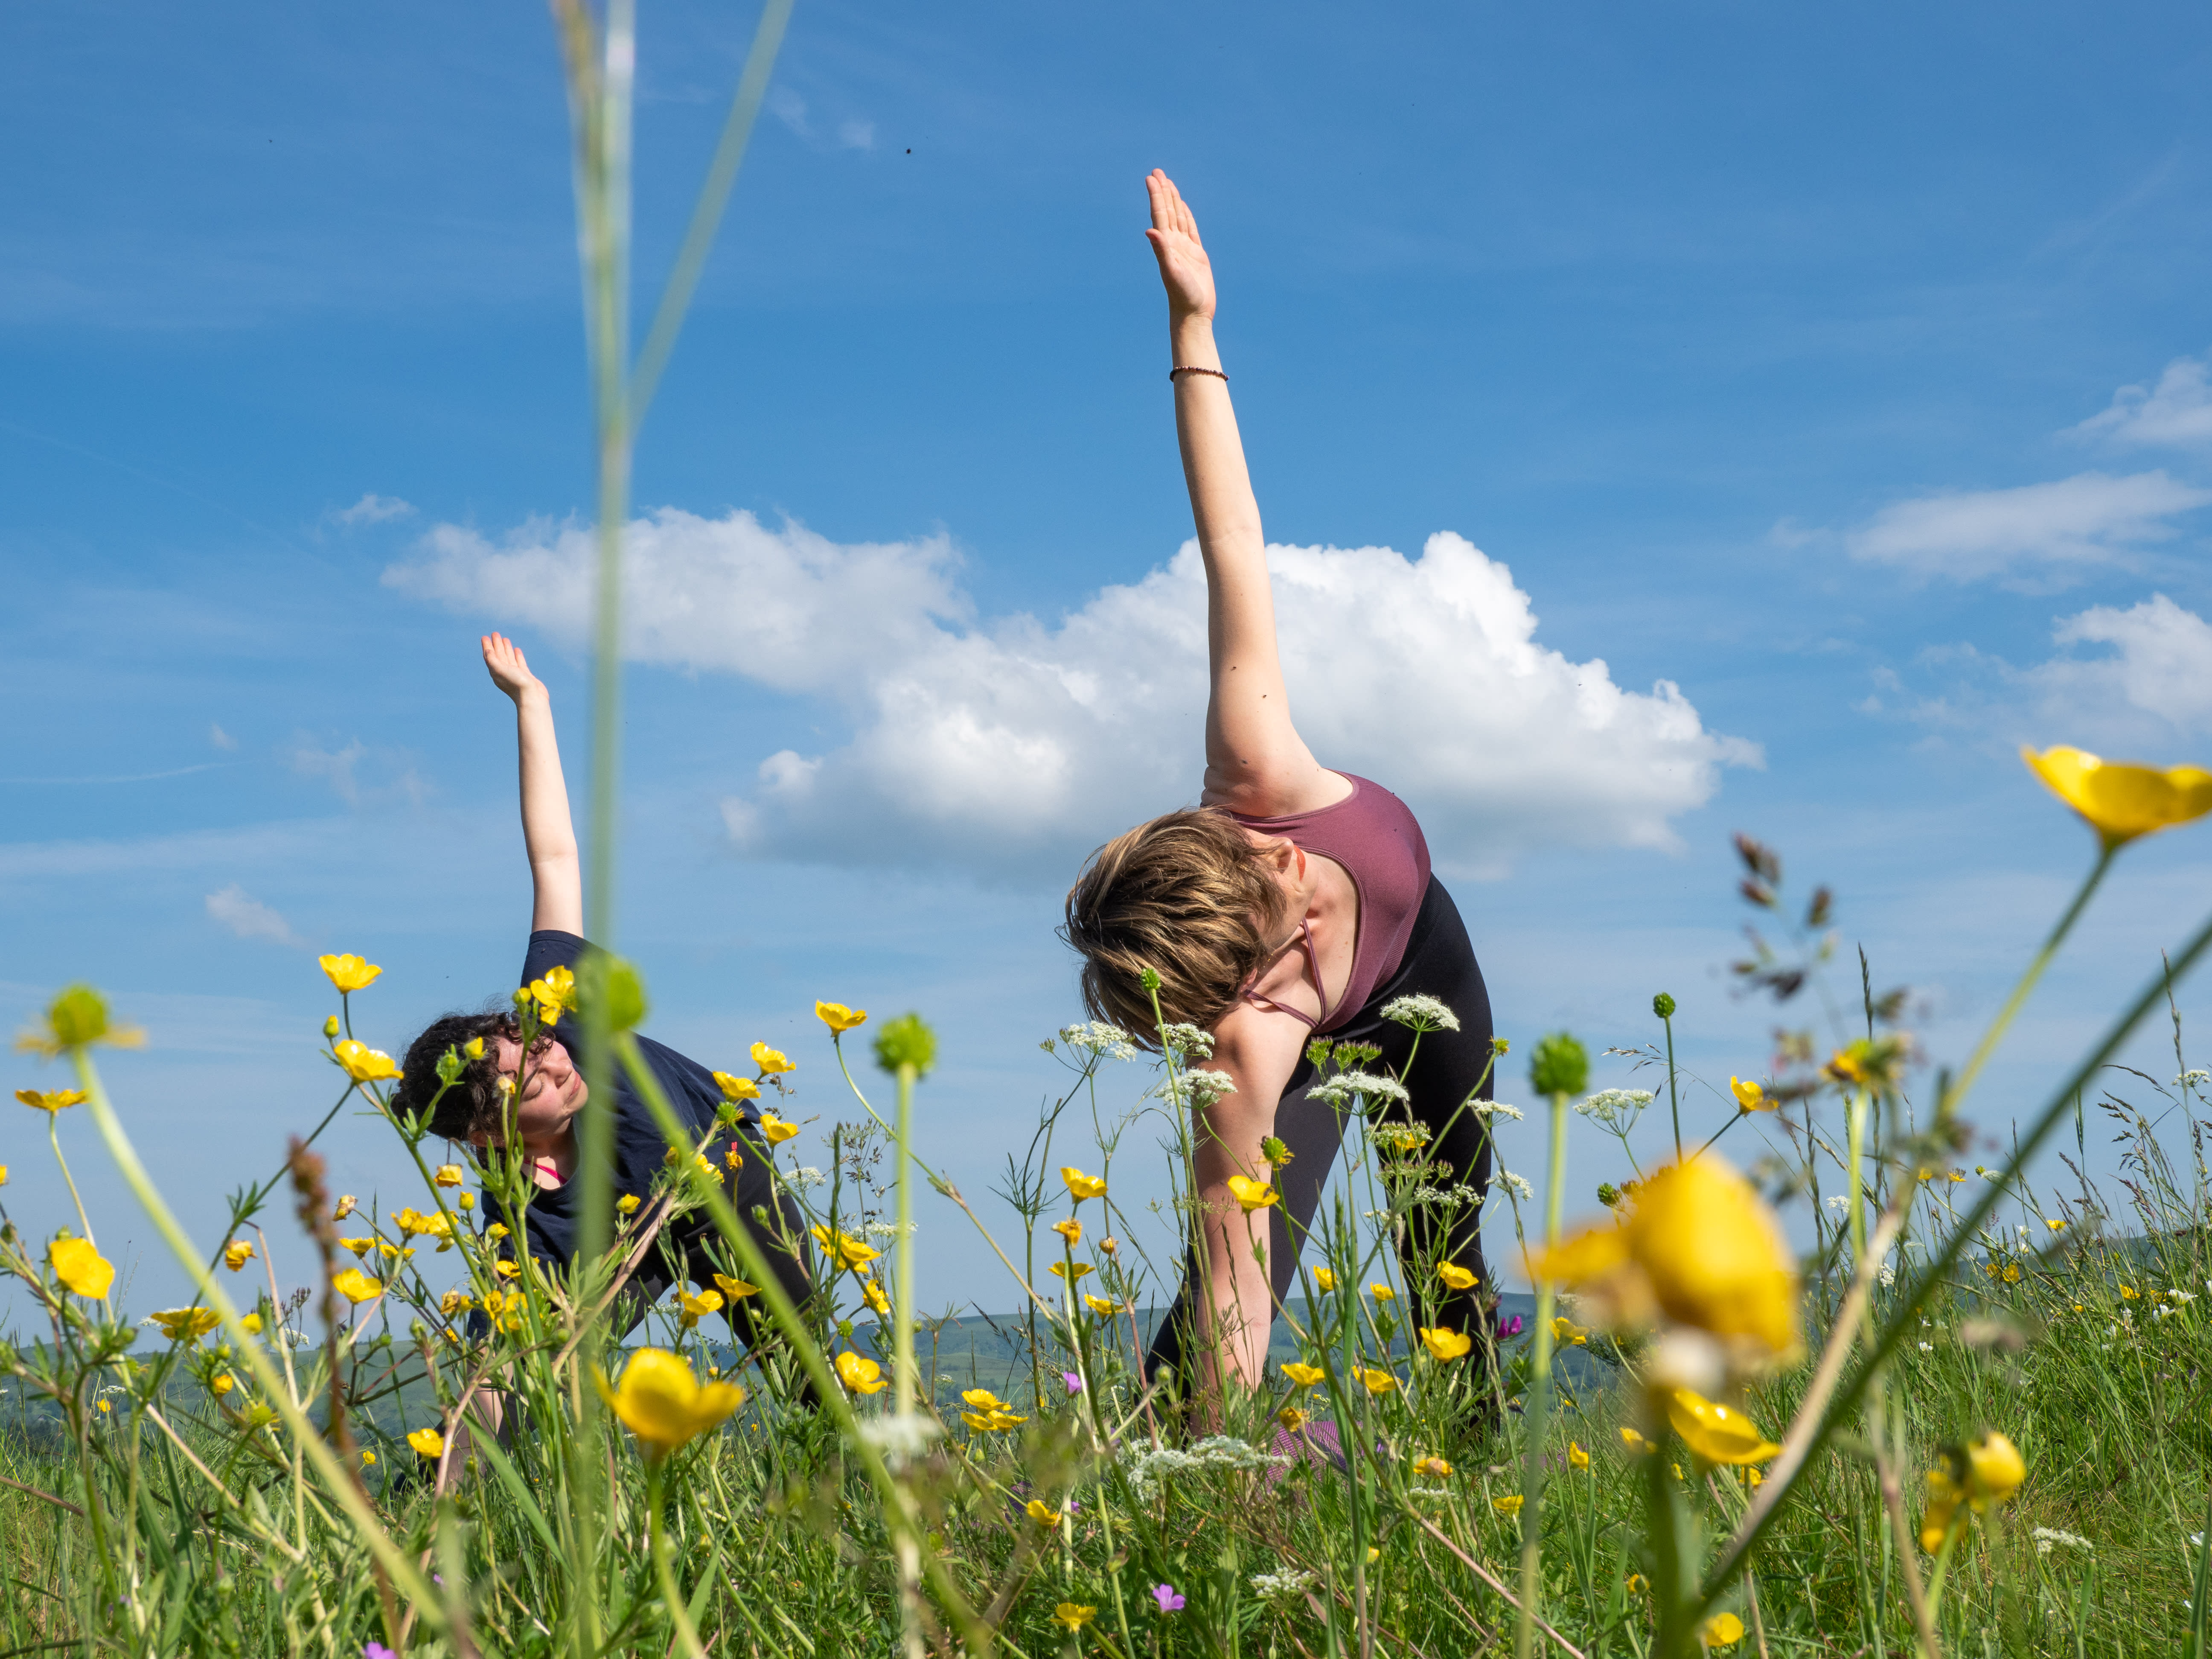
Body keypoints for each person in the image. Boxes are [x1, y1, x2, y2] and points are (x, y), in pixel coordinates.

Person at [1063, 172, 1499, 1400]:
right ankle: (1157, 1487)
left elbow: (1232, 543)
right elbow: (1237, 1277)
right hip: (1304, 1048)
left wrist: (1194, 333)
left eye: (1268, 863)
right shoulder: (1249, 1044)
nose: (1297, 871)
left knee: (1445, 1259)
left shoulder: (1254, 767)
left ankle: (1474, 1458)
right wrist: (1223, 1472)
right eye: (1274, 936)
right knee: (1222, 1307)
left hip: (1429, 981)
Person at [389, 633, 813, 1360]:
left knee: (811, 1370)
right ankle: (449, 1481)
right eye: (526, 1088)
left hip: (724, 1187)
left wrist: (533, 703)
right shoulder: (518, 1207)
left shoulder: (558, 1008)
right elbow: (500, 1358)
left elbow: (552, 857)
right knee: (528, 1382)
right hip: (612, 1242)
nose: (550, 1064)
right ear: (490, 1136)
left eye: (530, 1048)